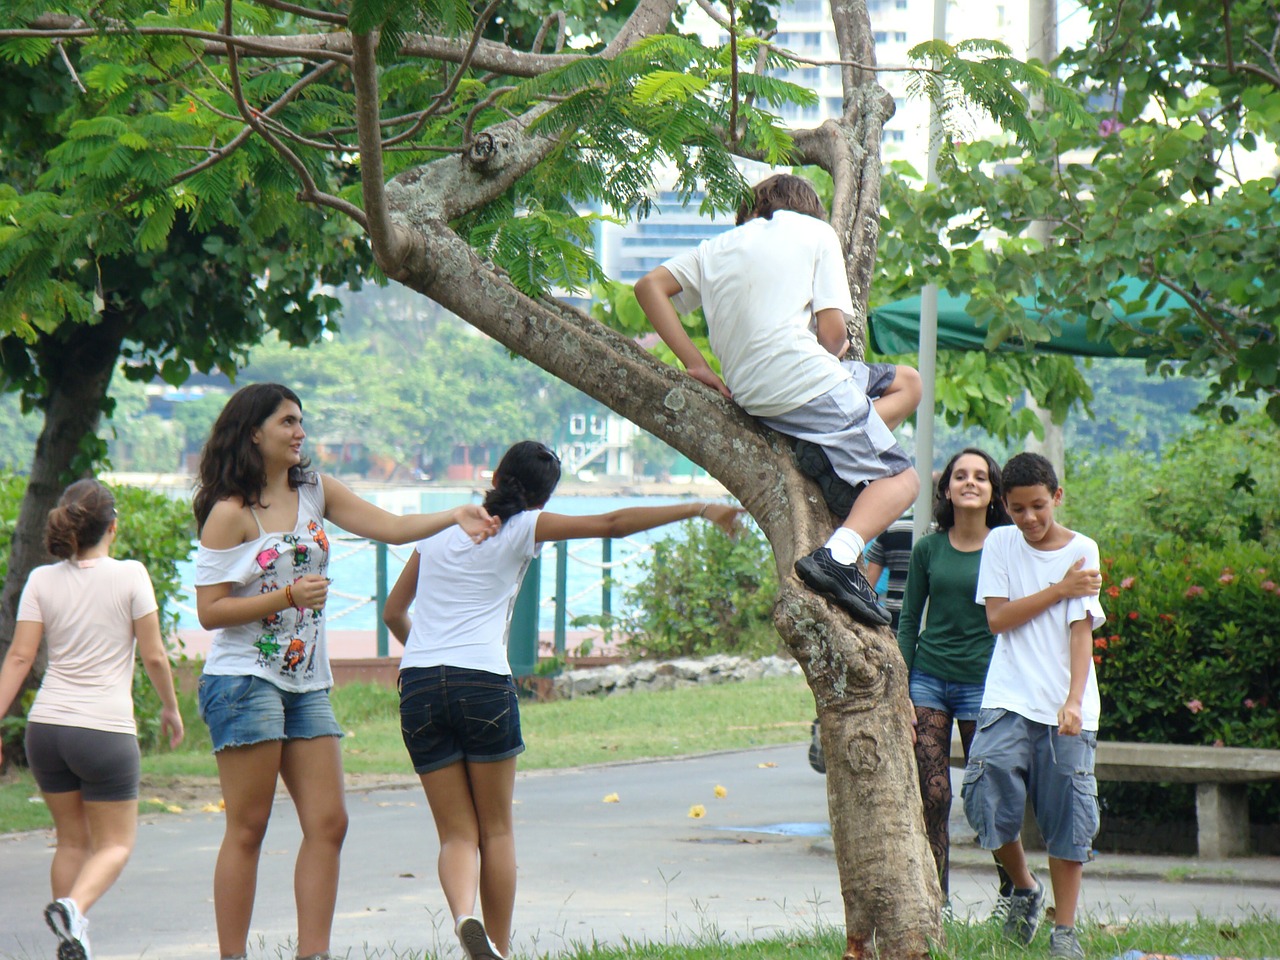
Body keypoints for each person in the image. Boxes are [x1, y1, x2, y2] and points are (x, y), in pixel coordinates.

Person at [381, 440, 744, 960]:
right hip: (482, 680)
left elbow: (395, 612)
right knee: (498, 829)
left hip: (418, 683)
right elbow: (613, 523)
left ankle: (465, 916)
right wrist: (699, 506)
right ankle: (498, 950)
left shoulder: (443, 525)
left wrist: (426, 659)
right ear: (543, 498)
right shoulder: (526, 525)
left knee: (457, 835)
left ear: (496, 474)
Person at [192, 383, 499, 960]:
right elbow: (210, 612)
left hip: (307, 683)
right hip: (244, 682)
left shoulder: (315, 491)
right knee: (249, 828)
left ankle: (315, 953)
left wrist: (454, 515)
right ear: (254, 432)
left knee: (329, 823)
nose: (300, 432)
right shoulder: (230, 514)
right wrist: (284, 594)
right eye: (287, 422)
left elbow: (391, 527)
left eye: (301, 422)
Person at [635, 172, 921, 628]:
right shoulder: (815, 231)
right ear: (808, 207)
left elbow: (648, 286)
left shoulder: (716, 248)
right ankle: (838, 558)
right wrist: (832, 349)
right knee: (901, 483)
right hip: (805, 379)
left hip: (751, 392)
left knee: (906, 381)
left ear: (752, 210)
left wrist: (696, 365)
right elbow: (831, 334)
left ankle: (828, 444)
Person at [0, 478, 185, 960]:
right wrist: (170, 706)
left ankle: (72, 938)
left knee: (72, 841)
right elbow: (156, 656)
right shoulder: (131, 575)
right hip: (103, 731)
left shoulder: (42, 580)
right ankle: (73, 909)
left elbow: (20, 658)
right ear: (113, 527)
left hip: (47, 731)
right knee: (116, 844)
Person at [962, 452, 1105, 959]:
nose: (1029, 519)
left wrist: (1073, 702)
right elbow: (999, 620)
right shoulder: (1000, 543)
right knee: (987, 786)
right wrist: (1060, 587)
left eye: (1039, 507)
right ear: (1005, 506)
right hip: (1009, 695)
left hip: (1067, 706)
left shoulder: (1082, 548)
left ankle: (1063, 931)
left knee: (1068, 813)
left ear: (1057, 497)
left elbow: (1080, 634)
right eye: (1018, 509)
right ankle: (1023, 887)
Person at [896, 449, 1014, 911]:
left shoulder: (1006, 547)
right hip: (929, 679)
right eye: (960, 476)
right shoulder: (928, 548)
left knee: (987, 792)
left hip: (985, 683)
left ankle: (1013, 891)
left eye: (980, 477)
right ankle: (936, 900)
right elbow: (909, 621)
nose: (970, 482)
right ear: (946, 489)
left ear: (992, 491)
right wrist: (900, 691)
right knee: (934, 792)